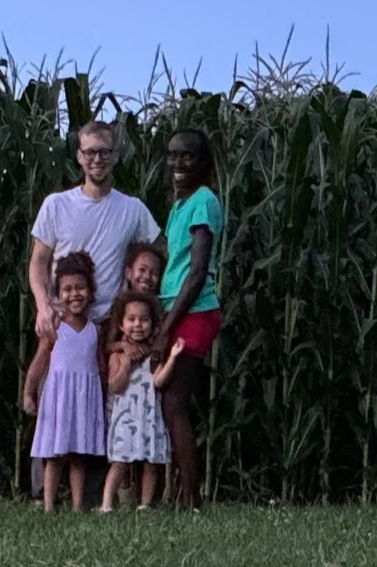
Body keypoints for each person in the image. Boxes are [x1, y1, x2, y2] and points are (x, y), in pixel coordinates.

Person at [26, 120, 162, 506]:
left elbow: (154, 254)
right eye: (89, 152)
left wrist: (140, 296)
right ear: (79, 157)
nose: (97, 159)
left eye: (104, 151)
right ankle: (42, 493)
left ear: (115, 155)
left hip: (108, 323)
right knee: (54, 404)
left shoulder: (132, 209)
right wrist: (42, 305)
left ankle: (96, 496)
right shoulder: (57, 205)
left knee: (101, 407)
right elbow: (38, 263)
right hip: (62, 322)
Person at [151, 128, 224, 509]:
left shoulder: (204, 202)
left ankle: (193, 499)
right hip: (177, 309)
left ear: (204, 163)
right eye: (172, 155)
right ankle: (182, 494)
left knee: (175, 404)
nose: (177, 164)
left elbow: (195, 274)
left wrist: (164, 331)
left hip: (194, 311)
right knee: (170, 403)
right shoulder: (180, 206)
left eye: (187, 156)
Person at [24, 251, 106, 512]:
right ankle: (48, 507)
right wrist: (28, 393)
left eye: (80, 288)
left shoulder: (96, 330)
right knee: (55, 456)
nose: (74, 294)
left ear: (90, 292)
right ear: (58, 295)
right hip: (59, 400)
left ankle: (77, 506)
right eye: (67, 290)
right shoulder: (55, 327)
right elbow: (39, 363)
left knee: (78, 456)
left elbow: (100, 365)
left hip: (84, 400)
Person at [100, 291, 184, 513]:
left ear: (153, 324)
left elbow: (158, 381)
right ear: (121, 324)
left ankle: (145, 505)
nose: (137, 325)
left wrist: (173, 358)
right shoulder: (118, 355)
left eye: (144, 320)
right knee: (120, 461)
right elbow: (115, 386)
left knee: (150, 464)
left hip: (148, 418)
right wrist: (126, 363)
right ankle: (107, 502)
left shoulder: (154, 355)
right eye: (131, 319)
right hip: (126, 418)